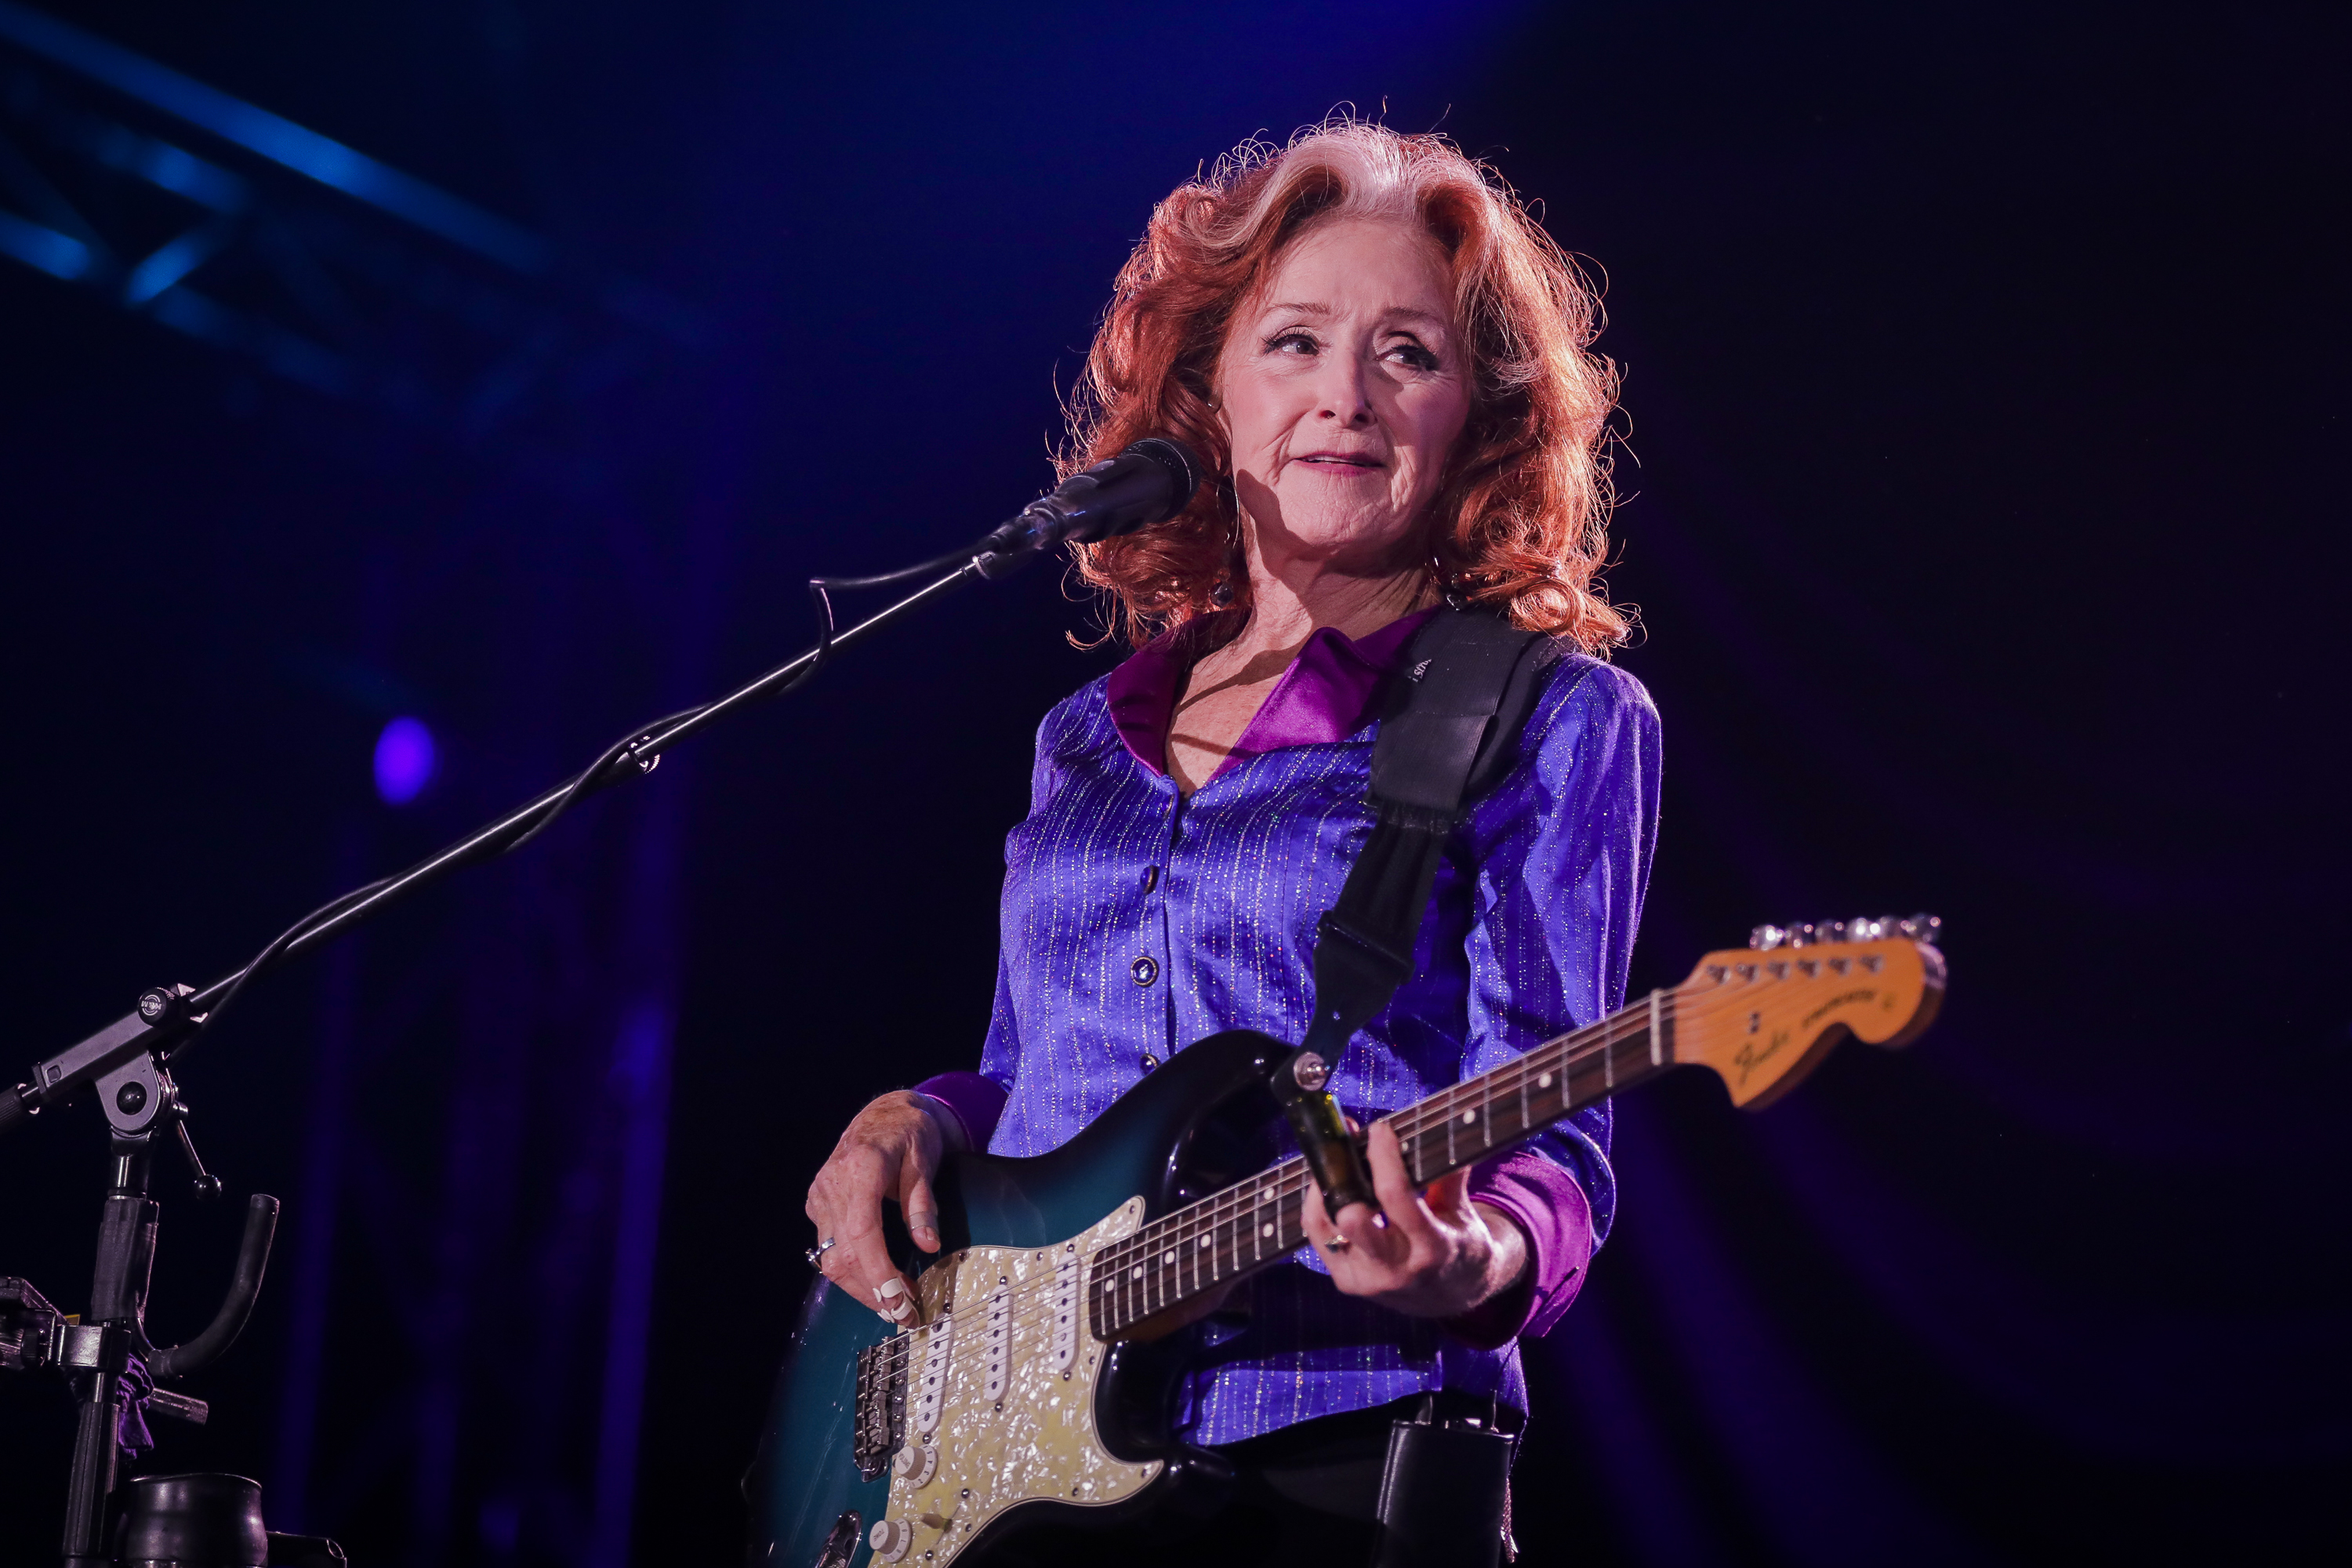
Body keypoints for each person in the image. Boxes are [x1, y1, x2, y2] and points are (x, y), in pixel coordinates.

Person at [803, 120, 1660, 1564]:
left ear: (1479, 418)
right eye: (1296, 342)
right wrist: (923, 1119)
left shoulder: (1553, 715)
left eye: (1408, 354)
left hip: (1329, 1457)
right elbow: (1032, 1081)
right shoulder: (1085, 735)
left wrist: (1467, 1257)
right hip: (1011, 1468)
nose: (1345, 397)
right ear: (1208, 391)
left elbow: (1554, 1142)